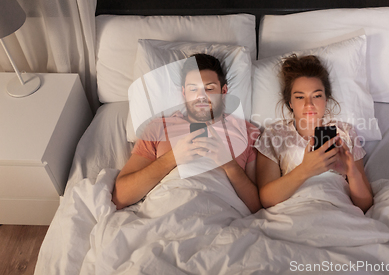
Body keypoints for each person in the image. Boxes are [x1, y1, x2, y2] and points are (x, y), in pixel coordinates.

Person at [112, 53, 261, 213]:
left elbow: (256, 206)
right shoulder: (159, 127)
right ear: (184, 93)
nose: (201, 96)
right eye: (193, 89)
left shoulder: (246, 132)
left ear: (224, 91)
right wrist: (172, 158)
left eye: (209, 89)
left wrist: (229, 165)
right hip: (166, 212)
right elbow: (120, 197)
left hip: (220, 214)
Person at [255, 54, 373, 213]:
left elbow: (365, 205)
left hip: (339, 213)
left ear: (326, 99)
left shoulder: (345, 132)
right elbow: (266, 199)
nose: (308, 104)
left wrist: (352, 173)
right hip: (293, 213)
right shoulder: (274, 134)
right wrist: (305, 170)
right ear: (290, 103)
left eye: (317, 96)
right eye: (299, 97)